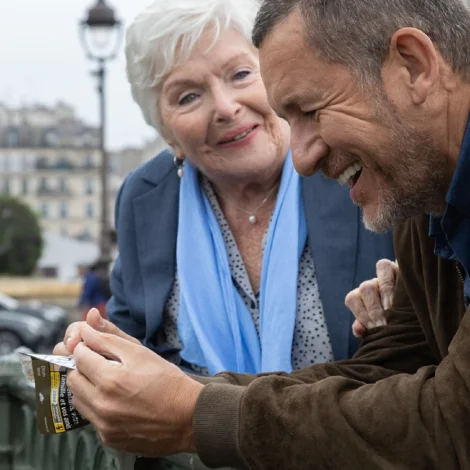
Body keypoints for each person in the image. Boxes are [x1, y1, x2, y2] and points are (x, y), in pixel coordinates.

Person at [53, 0, 470, 467]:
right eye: (187, 96)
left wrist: (192, 415)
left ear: (413, 64)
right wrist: (143, 388)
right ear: (166, 132)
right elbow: (389, 369)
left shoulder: (391, 174)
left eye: (308, 110)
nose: (303, 158)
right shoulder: (419, 181)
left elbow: (451, 421)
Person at [104, 0, 394, 377]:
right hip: (196, 437)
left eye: (241, 74)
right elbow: (131, 344)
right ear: (167, 134)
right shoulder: (145, 198)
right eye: (188, 96)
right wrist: (96, 355)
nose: (226, 107)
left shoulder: (352, 158)